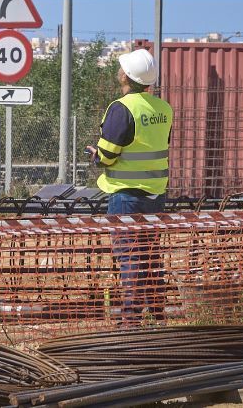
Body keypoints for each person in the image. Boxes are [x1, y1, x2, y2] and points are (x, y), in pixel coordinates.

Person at [86, 48, 172, 325]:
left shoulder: (121, 108)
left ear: (126, 75)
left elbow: (109, 155)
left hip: (126, 194)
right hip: (156, 194)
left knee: (130, 259)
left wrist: (96, 155)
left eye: (121, 68)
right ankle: (157, 314)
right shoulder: (163, 108)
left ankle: (130, 320)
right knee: (150, 256)